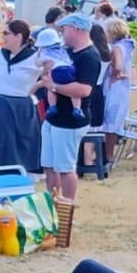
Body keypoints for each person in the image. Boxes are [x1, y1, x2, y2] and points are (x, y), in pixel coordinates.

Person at [40, 13, 102, 203]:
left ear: (75, 29)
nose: (62, 34)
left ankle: (67, 206)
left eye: (64, 29)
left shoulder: (89, 57)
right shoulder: (66, 51)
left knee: (66, 168)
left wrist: (53, 86)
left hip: (70, 121)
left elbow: (83, 90)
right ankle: (53, 204)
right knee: (50, 166)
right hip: (54, 118)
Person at [0, 19, 43, 173]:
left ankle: (19, 177)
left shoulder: (35, 57)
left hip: (21, 105)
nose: (3, 37)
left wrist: (37, 85)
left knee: (21, 145)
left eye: (6, 33)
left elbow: (49, 70)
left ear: (18, 36)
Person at [102, 17, 136, 159]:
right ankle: (109, 154)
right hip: (123, 88)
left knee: (110, 121)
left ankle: (108, 155)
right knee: (115, 121)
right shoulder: (129, 45)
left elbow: (117, 65)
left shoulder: (117, 48)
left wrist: (115, 72)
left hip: (114, 86)